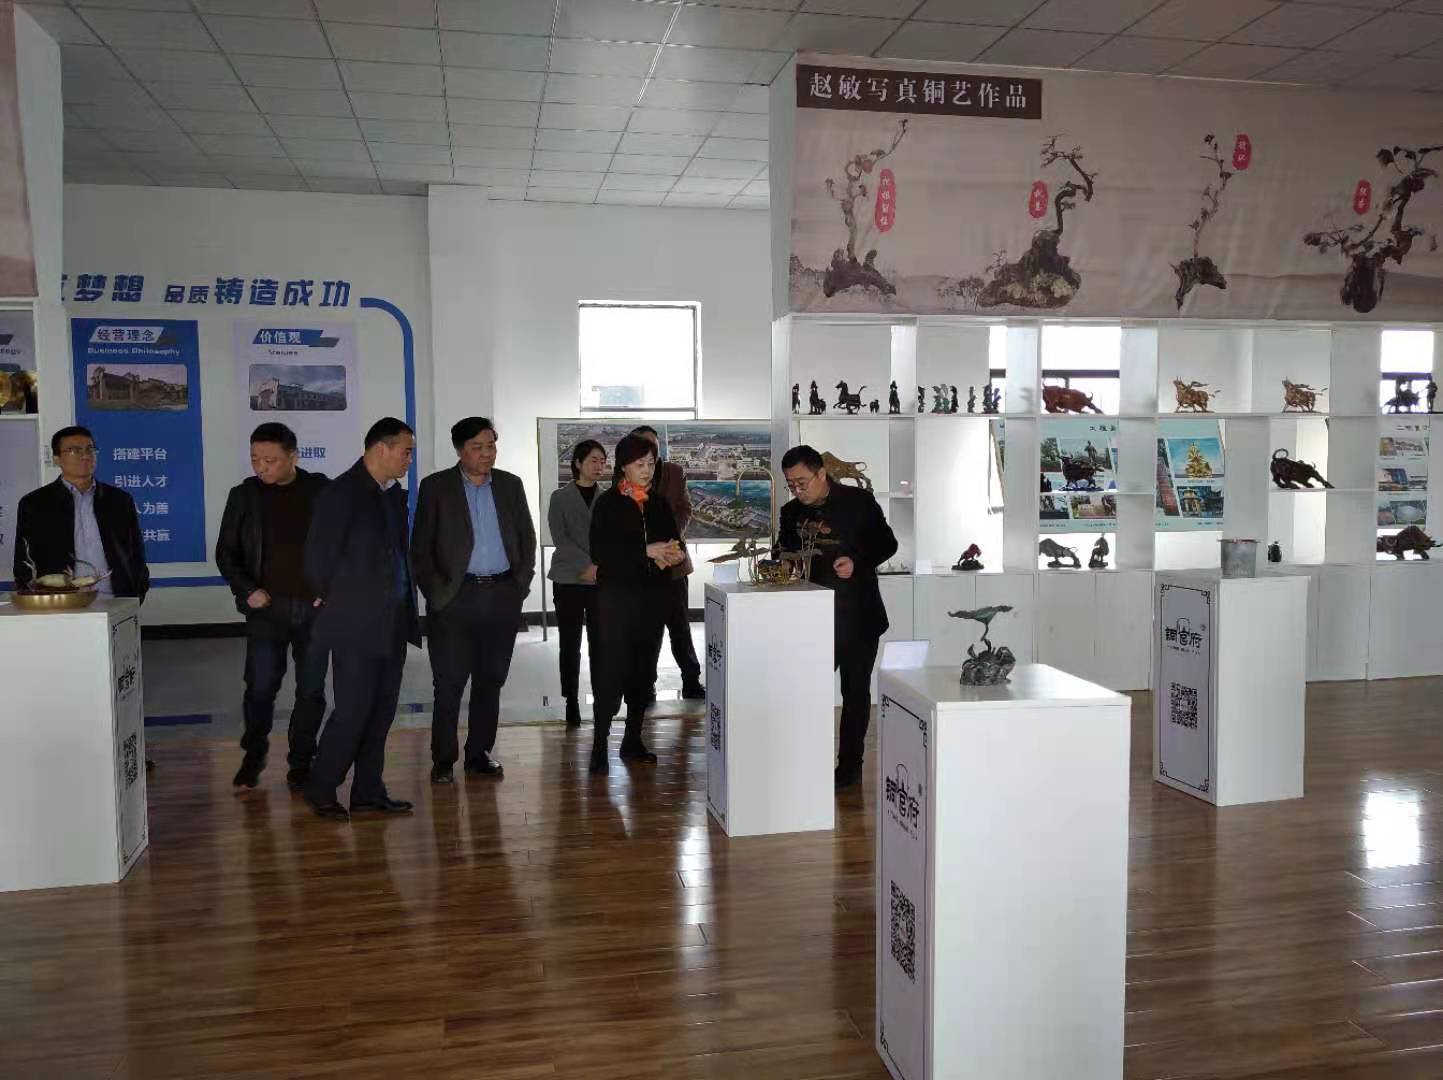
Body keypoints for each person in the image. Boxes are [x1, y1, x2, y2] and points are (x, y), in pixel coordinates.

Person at [301, 418, 421, 821]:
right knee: (353, 710)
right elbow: (318, 558)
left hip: (393, 620)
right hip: (355, 623)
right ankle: (321, 786)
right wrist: (338, 602)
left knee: (382, 711)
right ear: (380, 449)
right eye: (406, 451)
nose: (409, 459)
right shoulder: (341, 493)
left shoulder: (392, 495)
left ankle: (368, 790)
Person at [15, 425, 153, 768]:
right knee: (69, 682)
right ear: (57, 458)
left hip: (114, 604)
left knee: (122, 682)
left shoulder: (119, 500)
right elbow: (24, 561)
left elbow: (136, 554)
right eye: (74, 450)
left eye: (90, 449)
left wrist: (135, 594)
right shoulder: (35, 503)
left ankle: (128, 752)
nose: (84, 456)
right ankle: (76, 756)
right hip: (63, 607)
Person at [412, 417, 536, 784]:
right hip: (455, 598)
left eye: (491, 446)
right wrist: (438, 594)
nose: (487, 454)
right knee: (449, 682)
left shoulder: (510, 485)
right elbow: (421, 549)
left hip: (502, 595)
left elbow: (526, 538)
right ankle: (443, 759)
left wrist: (519, 585)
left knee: (490, 679)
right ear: (460, 450)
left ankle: (479, 753)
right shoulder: (436, 487)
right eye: (477, 447)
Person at [215, 422, 331, 791]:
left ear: (293, 457)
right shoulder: (244, 496)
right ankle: (254, 754)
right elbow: (226, 553)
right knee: (260, 688)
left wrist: (327, 590)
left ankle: (301, 762)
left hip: (313, 611)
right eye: (255, 459)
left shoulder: (320, 491)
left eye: (270, 460)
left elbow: (341, 545)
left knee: (310, 691)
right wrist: (247, 589)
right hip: (267, 610)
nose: (261, 467)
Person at [778, 444, 898, 792]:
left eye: (802, 482)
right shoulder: (791, 512)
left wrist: (857, 561)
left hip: (858, 614)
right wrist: (783, 564)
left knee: (855, 692)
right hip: (812, 620)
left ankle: (849, 767)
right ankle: (804, 761)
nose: (797, 490)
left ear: (821, 473)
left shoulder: (858, 502)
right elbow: (783, 550)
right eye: (791, 484)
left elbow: (887, 544)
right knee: (807, 691)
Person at [587, 433, 685, 774]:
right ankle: (599, 745)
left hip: (652, 600)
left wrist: (671, 554)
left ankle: (632, 740)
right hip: (615, 602)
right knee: (610, 673)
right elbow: (602, 554)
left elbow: (673, 542)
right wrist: (646, 551)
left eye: (651, 464)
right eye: (639, 464)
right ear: (623, 467)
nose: (647, 470)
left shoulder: (658, 503)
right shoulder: (608, 503)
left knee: (644, 673)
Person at [631, 425, 704, 701]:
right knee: (646, 630)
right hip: (642, 566)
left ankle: (691, 681)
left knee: (680, 627)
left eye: (653, 446)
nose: (649, 451)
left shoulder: (674, 472)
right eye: (643, 446)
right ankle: (645, 684)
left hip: (674, 564)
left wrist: (672, 537)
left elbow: (685, 509)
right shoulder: (626, 477)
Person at [547, 439, 606, 728]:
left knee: (600, 643)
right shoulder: (560, 497)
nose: (599, 466)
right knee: (570, 644)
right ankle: (571, 699)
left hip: (601, 579)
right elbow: (561, 538)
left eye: (602, 461)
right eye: (593, 460)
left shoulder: (608, 498)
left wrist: (598, 569)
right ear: (578, 463)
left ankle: (601, 698)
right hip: (568, 578)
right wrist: (586, 567)